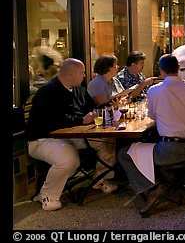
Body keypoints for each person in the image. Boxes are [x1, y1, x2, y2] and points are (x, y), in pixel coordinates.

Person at [24, 58, 118, 211]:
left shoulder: (78, 89)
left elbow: (92, 108)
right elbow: (52, 120)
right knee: (69, 158)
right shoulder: (48, 91)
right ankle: (47, 195)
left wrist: (107, 106)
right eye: (82, 73)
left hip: (72, 135)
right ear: (71, 74)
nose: (85, 76)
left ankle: (100, 179)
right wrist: (82, 119)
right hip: (43, 139)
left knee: (108, 140)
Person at [117, 54, 185, 216]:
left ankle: (152, 187)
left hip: (169, 151)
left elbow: (152, 117)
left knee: (124, 153)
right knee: (147, 144)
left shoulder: (155, 91)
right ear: (178, 69)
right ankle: (162, 180)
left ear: (161, 71)